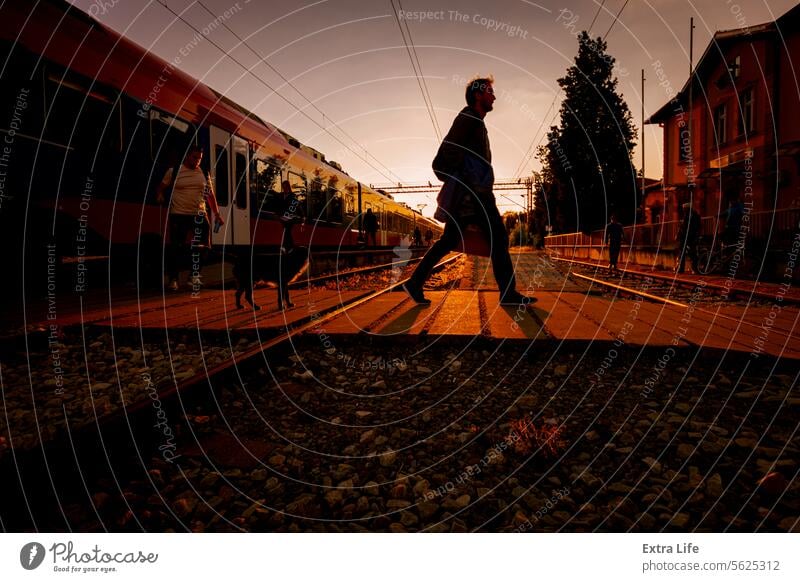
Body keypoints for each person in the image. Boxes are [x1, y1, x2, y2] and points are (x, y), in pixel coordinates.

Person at [402, 76, 534, 306]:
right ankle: (508, 294)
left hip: (470, 195)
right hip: (475, 196)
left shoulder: (475, 121)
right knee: (499, 239)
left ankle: (414, 283)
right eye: (490, 91)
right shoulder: (468, 119)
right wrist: (466, 182)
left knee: (448, 241)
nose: (494, 96)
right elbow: (444, 158)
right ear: (478, 95)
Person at [156, 145, 223, 291]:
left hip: (200, 214)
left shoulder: (204, 173)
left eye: (199, 158)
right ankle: (173, 280)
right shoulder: (174, 172)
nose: (197, 161)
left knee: (204, 246)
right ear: (187, 156)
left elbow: (210, 195)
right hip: (179, 214)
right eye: (194, 157)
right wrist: (160, 194)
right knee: (176, 248)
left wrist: (217, 214)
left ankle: (194, 276)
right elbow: (161, 187)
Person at [676, 201, 700, 274]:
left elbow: (684, 227)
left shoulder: (691, 216)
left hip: (688, 236)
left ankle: (689, 268)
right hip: (688, 236)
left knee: (687, 252)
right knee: (691, 253)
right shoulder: (694, 215)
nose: (683, 210)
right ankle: (693, 268)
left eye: (684, 209)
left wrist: (679, 234)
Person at [278, 180, 303, 252]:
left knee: (287, 230)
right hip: (283, 217)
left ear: (288, 187)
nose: (284, 189)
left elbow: (296, 207)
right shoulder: (281, 195)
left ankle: (288, 247)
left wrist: (302, 216)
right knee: (286, 232)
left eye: (285, 187)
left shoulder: (293, 196)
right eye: (283, 187)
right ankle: (289, 247)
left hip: (290, 217)